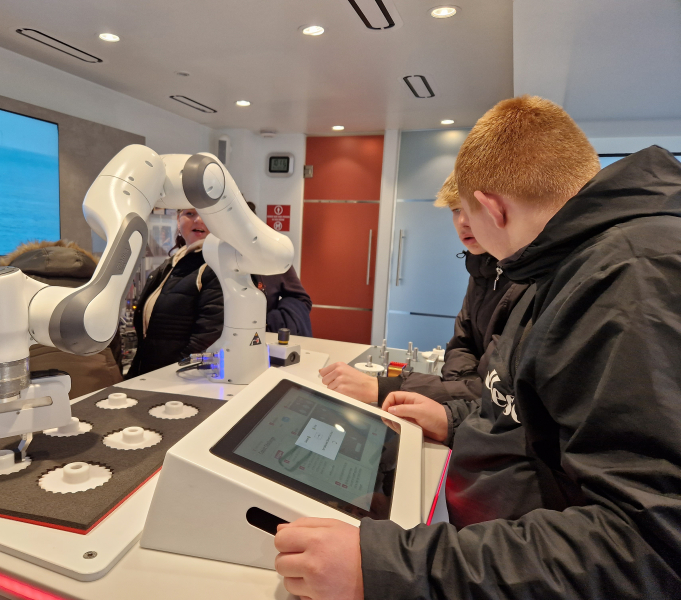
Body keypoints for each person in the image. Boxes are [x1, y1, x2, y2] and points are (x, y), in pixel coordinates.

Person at [273, 95, 681, 599]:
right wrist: (457, 422)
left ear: (492, 207)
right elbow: (525, 408)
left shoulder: (632, 278)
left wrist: (390, 568)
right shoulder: (563, 266)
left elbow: (648, 546)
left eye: (466, 212)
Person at [319, 174, 529, 429]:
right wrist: (461, 387)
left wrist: (383, 388)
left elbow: (496, 391)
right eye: (455, 210)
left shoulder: (527, 282)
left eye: (473, 209)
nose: (463, 221)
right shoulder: (481, 268)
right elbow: (462, 344)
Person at [0, 240, 124, 398]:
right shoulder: (98, 308)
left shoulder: (0, 299)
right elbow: (115, 356)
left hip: (8, 417)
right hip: (102, 405)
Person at [126, 208, 223, 377]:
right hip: (151, 374)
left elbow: (208, 334)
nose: (198, 220)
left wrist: (176, 371)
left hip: (179, 379)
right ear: (178, 220)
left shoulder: (215, 266)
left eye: (206, 214)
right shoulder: (173, 263)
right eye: (190, 213)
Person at [246, 201, 313, 336]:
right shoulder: (209, 256)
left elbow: (301, 299)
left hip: (262, 338)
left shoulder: (272, 257)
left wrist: (270, 323)